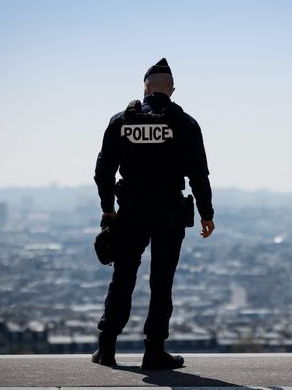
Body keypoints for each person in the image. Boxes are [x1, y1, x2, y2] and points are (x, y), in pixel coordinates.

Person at [91, 58, 215, 369]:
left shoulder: (121, 121)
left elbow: (102, 171)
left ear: (145, 88)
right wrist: (206, 213)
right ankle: (154, 350)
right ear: (171, 89)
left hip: (130, 210)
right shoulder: (184, 123)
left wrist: (108, 210)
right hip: (169, 212)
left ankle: (106, 348)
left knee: (122, 277)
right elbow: (199, 174)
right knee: (161, 281)